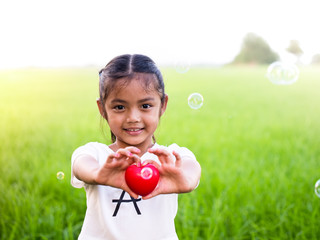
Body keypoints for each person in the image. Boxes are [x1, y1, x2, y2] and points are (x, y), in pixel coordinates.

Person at [71, 54, 201, 240]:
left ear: (163, 105)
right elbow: (81, 165)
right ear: (102, 109)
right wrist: (99, 174)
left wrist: (186, 180)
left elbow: (191, 167)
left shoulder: (170, 158)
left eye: (145, 105)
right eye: (119, 107)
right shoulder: (98, 156)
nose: (133, 117)